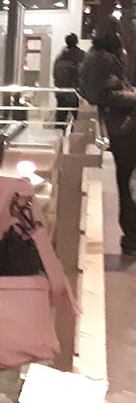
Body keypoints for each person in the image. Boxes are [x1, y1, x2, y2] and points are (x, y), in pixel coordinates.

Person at [78, 18, 136, 257]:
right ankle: (132, 236)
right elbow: (103, 95)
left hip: (122, 127)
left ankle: (132, 235)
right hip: (124, 128)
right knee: (129, 183)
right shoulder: (101, 59)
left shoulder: (97, 58)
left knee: (128, 183)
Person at [52, 32, 85, 128]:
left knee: (60, 118)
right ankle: (74, 140)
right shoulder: (81, 56)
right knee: (77, 120)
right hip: (75, 92)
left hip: (61, 92)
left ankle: (58, 137)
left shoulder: (60, 57)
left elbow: (55, 74)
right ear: (77, 42)